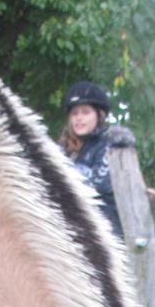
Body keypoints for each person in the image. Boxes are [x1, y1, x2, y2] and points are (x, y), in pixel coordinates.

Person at [58, 80, 123, 240]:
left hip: (106, 235)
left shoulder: (112, 143)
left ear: (98, 115)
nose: (79, 118)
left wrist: (61, 172)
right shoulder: (66, 149)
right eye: (74, 113)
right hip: (73, 232)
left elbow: (99, 184)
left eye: (85, 112)